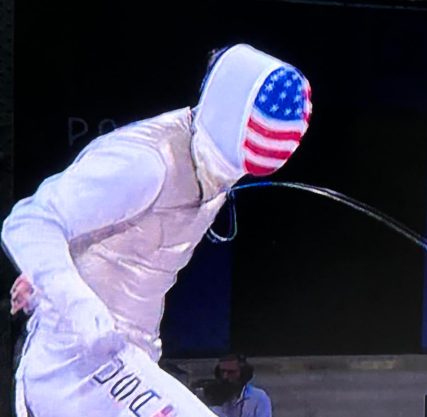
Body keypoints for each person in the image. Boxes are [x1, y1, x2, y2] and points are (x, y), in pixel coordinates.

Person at [2, 44, 312, 417]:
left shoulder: (216, 164)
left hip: (130, 358)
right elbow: (30, 221)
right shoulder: (149, 162)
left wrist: (51, 270)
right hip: (71, 361)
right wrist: (71, 296)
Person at [204, 354, 271, 417]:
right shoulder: (210, 397)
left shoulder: (258, 397)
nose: (225, 377)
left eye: (231, 372)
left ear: (243, 374)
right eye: (222, 372)